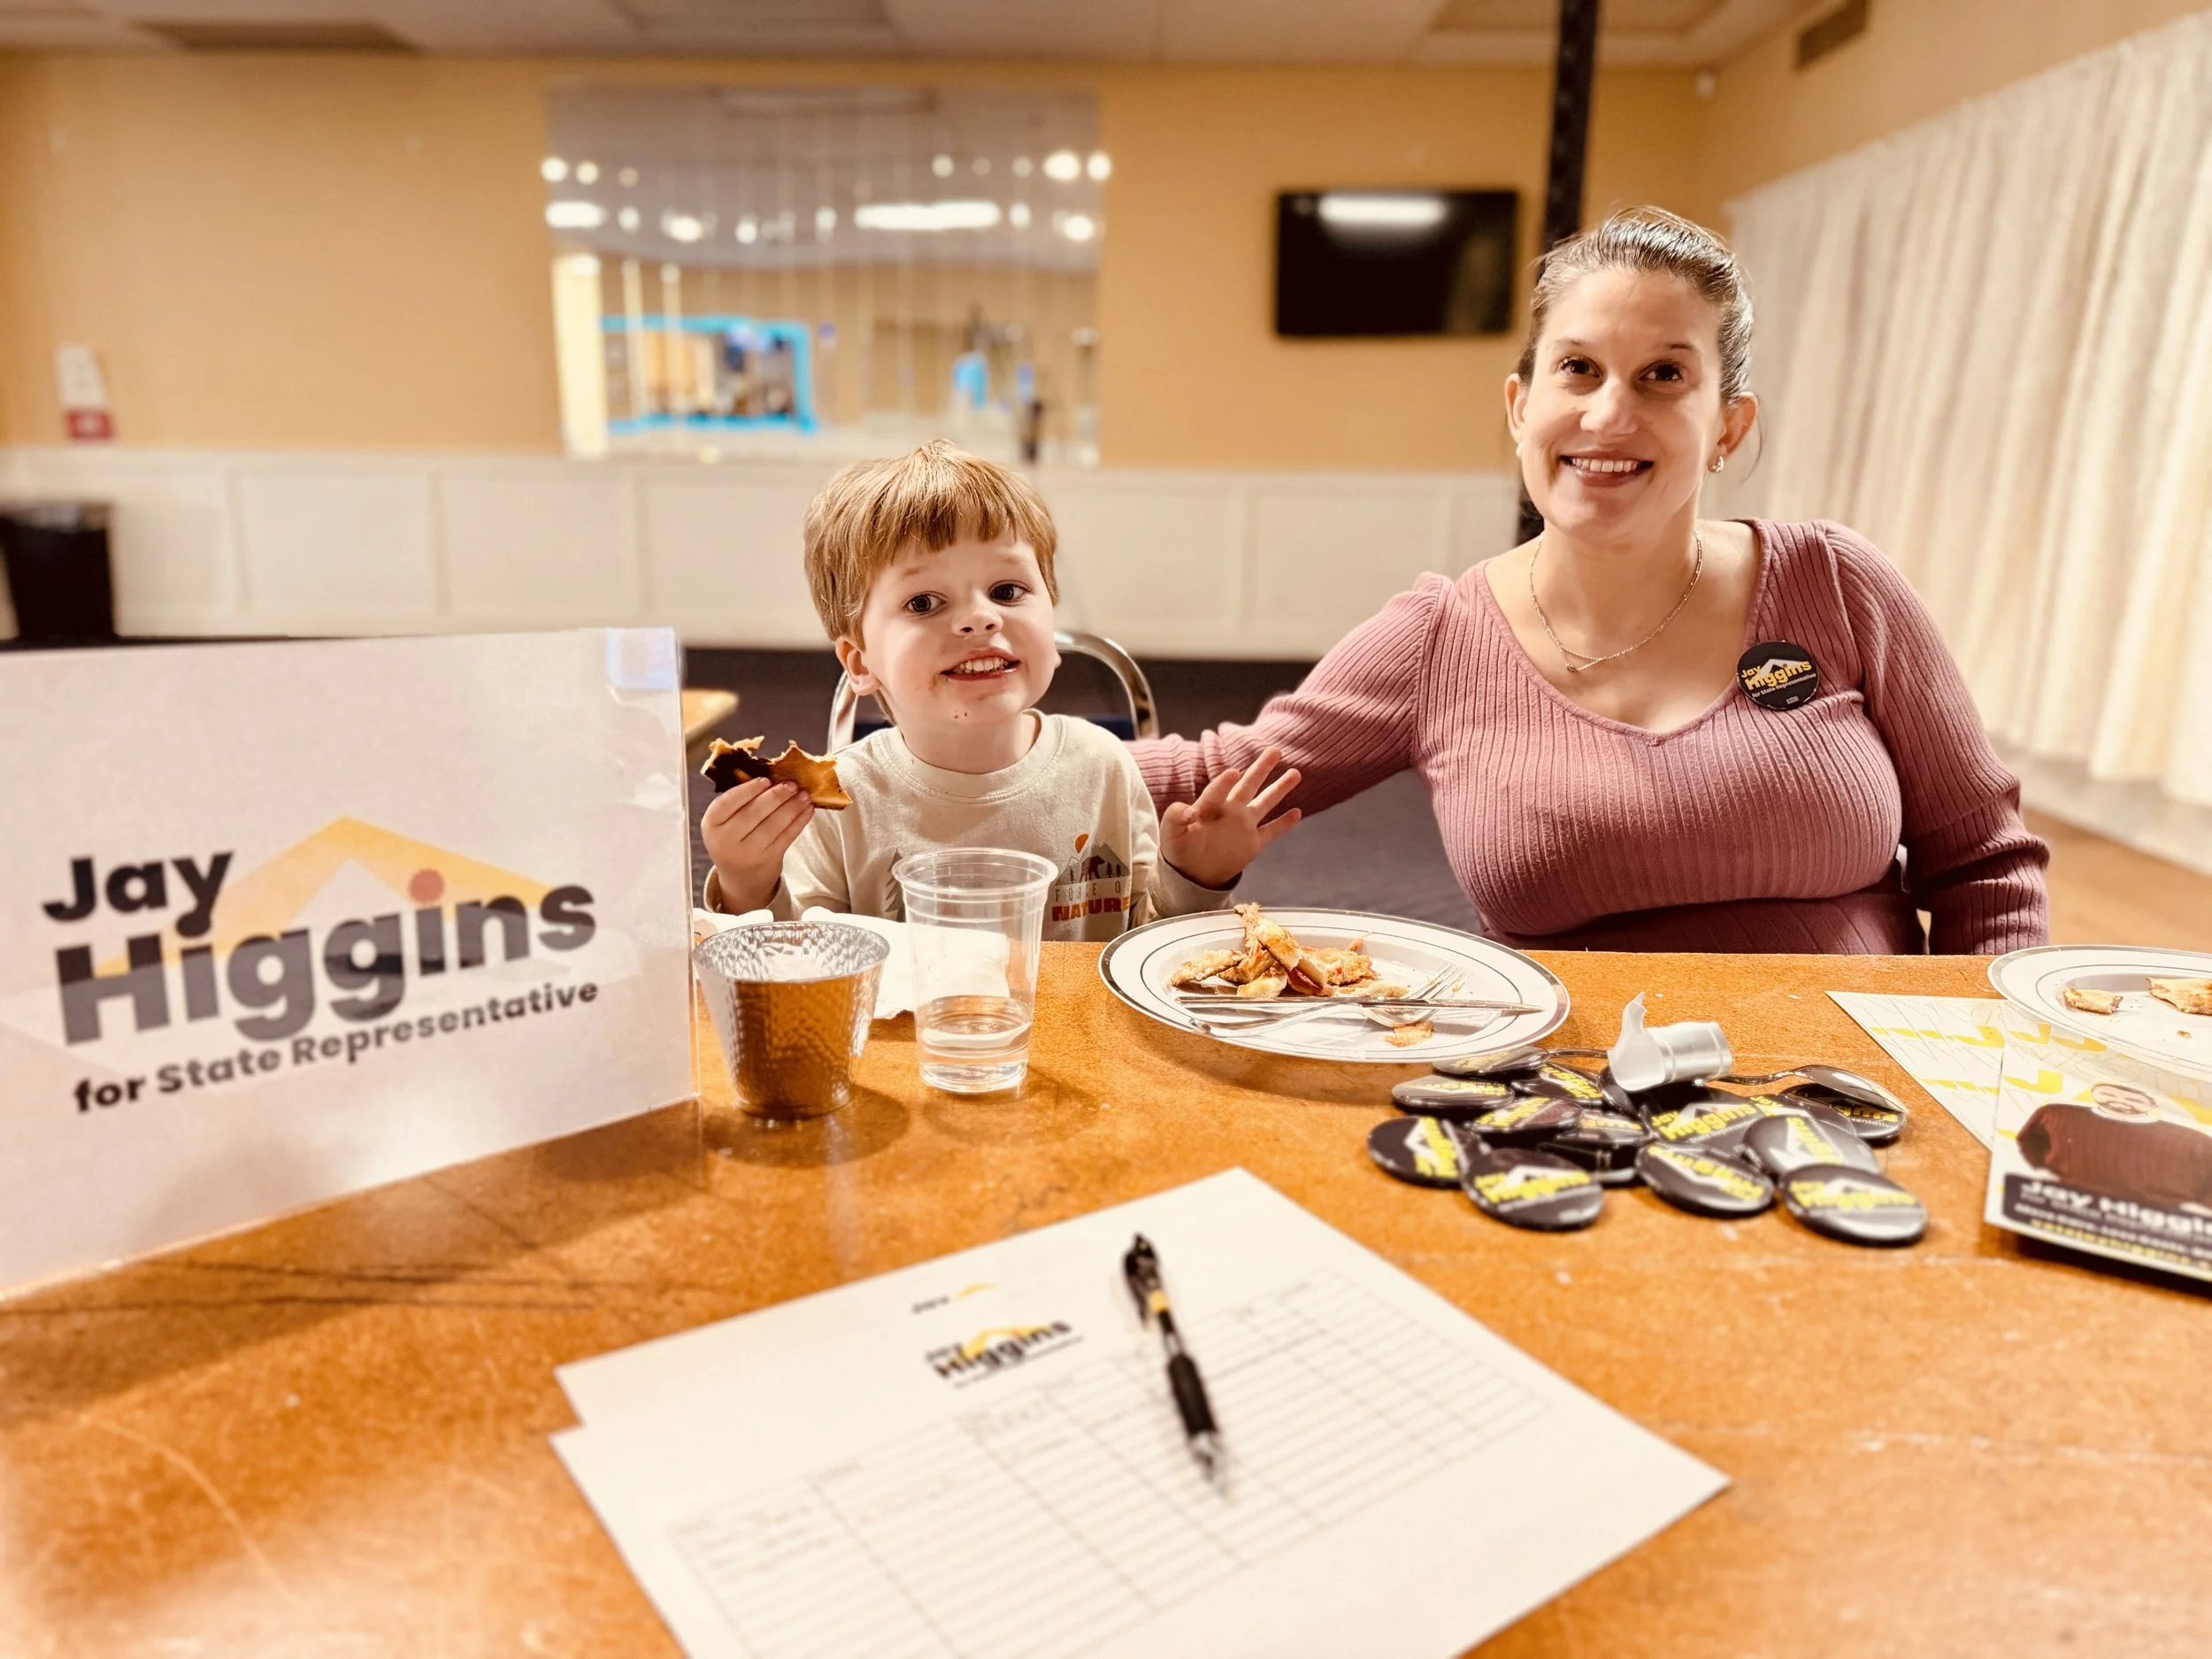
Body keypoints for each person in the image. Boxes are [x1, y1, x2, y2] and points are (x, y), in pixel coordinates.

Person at [1135, 207, 2049, 954]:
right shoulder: (1439, 636)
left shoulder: (1837, 584)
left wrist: (1981, 1070)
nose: (1610, 414)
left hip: (1850, 1108)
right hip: (1575, 1113)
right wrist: (1000, 734)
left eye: (1663, 376)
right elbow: (1220, 773)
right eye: (1577, 368)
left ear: (1727, 427)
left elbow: (1984, 867)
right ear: (1519, 404)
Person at [701, 442, 1301, 935]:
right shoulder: (841, 804)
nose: (979, 618)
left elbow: (1146, 957)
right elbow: (794, 976)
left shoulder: (1103, 768)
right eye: (924, 601)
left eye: (1007, 591)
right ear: (859, 661)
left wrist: (1195, 877)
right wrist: (746, 879)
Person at [2016, 1082, 2212, 1210]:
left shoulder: (2194, 1141)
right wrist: (2039, 1168)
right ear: (2094, 1092)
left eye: (2134, 1099)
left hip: (2163, 1214)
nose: (2120, 1101)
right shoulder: (2057, 1114)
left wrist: (2202, 1207)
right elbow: (2028, 1141)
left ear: (2151, 1104)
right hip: (2062, 1197)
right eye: (2109, 1093)